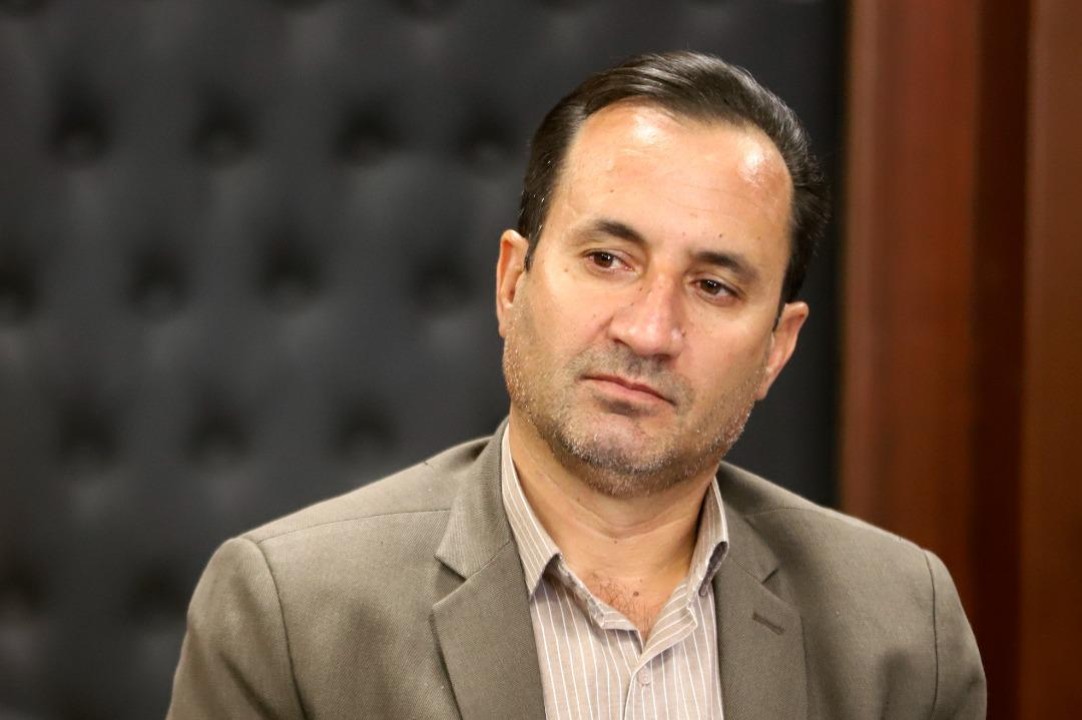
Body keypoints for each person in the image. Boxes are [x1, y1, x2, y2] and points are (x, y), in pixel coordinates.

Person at [167, 51, 985, 719]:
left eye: (713, 286)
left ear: (777, 347)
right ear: (511, 282)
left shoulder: (902, 631)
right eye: (607, 259)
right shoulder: (291, 615)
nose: (649, 331)